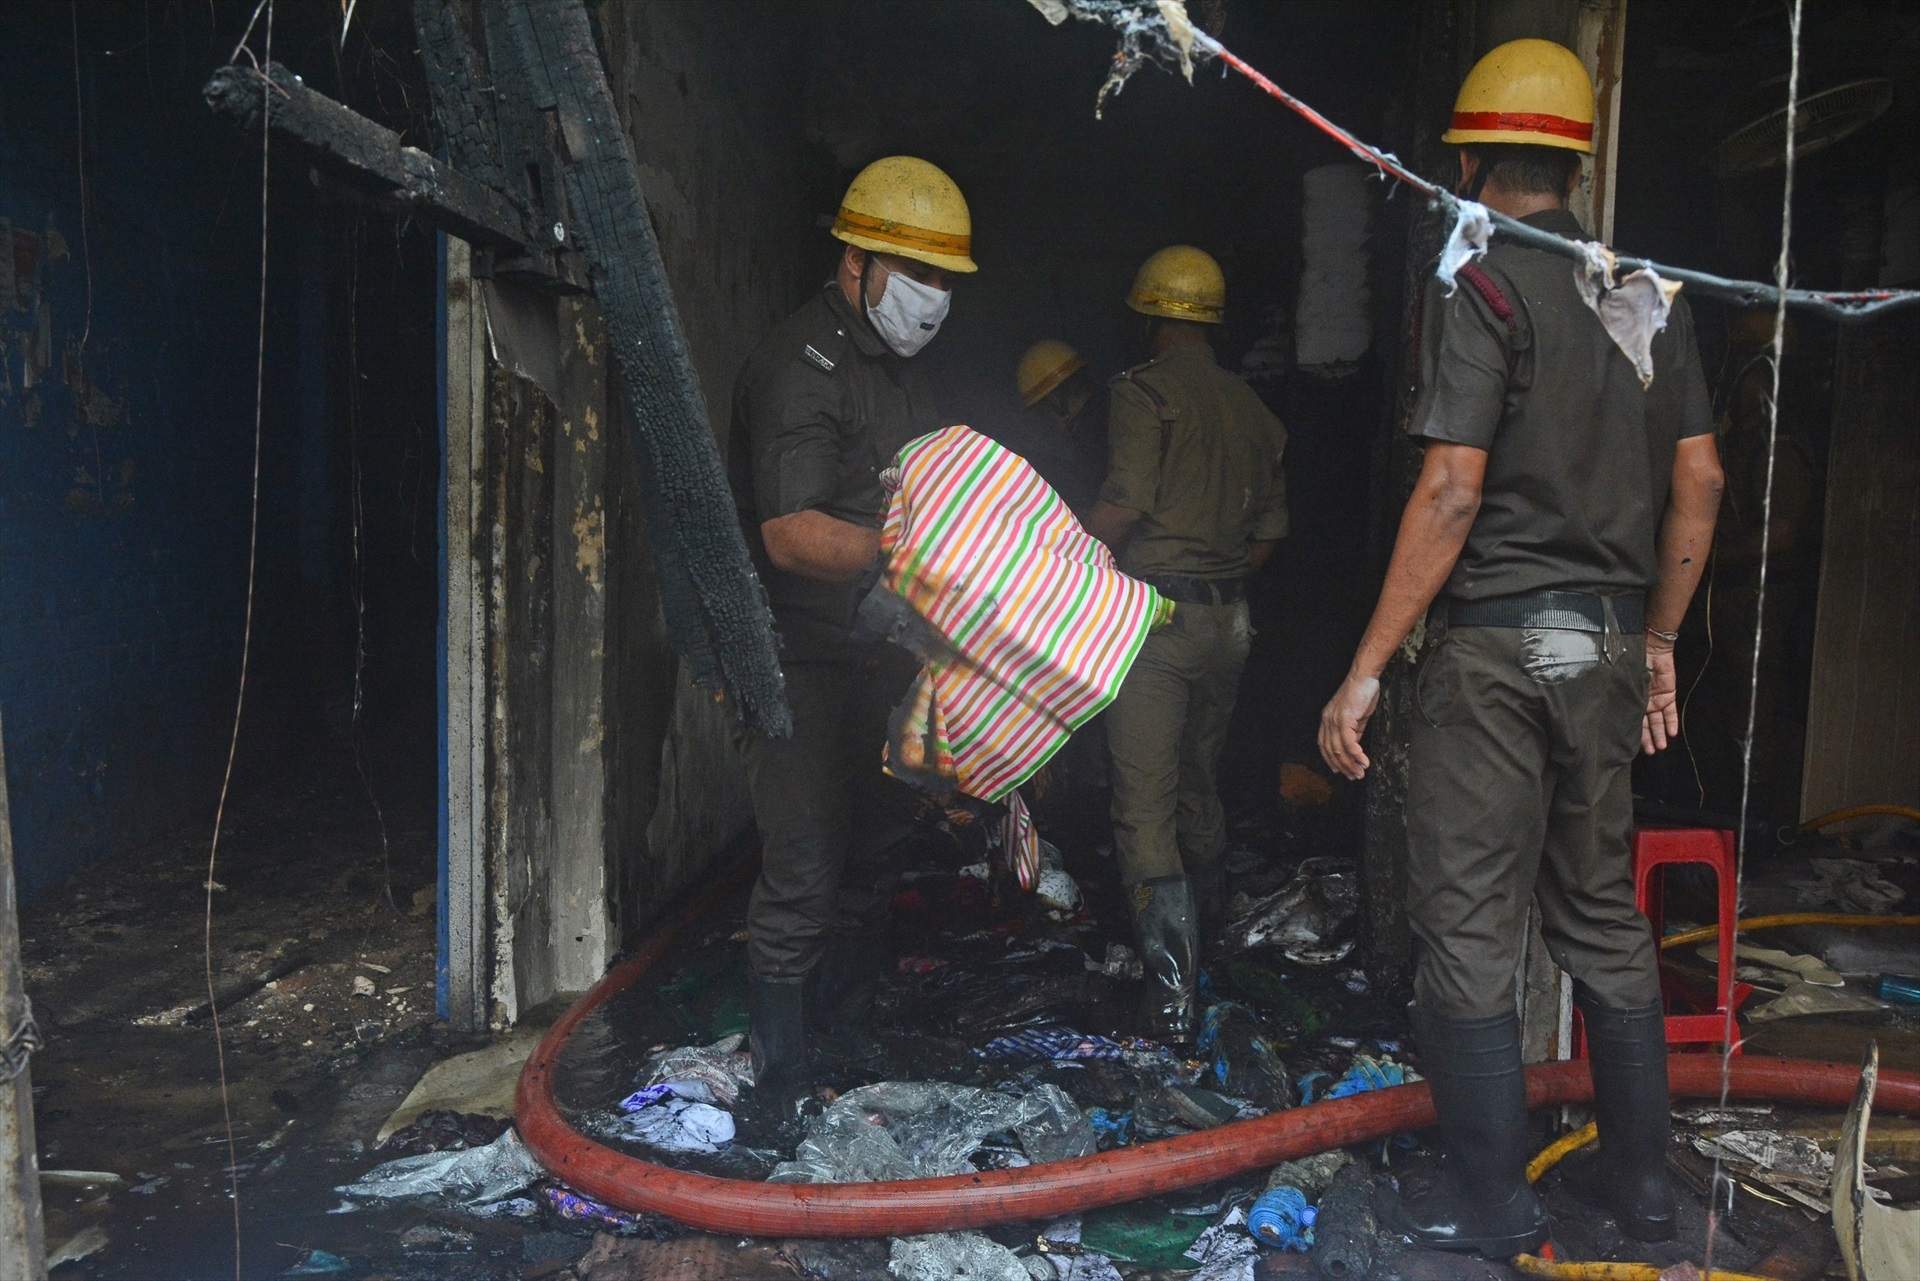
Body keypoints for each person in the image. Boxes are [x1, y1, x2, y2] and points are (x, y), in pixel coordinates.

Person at [1315, 39, 1724, 1258]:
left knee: (1471, 928)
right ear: (1574, 160)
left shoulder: (1483, 287)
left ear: (1479, 161)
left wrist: (1367, 667)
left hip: (1496, 653)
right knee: (1602, 915)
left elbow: (1450, 490)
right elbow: (1697, 481)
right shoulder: (1647, 294)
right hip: (1601, 650)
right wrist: (1656, 639)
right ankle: (1646, 1198)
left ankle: (1495, 1207)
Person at [727, 155, 976, 1086]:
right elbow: (791, 533)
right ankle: (782, 1080)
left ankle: (849, 1039)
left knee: (875, 855)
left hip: (876, 652)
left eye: (948, 280)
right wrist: (914, 556)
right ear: (854, 264)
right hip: (797, 661)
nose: (935, 297)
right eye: (920, 274)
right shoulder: (802, 367)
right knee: (802, 870)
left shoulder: (904, 378)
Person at [1086, 245, 1289, 1044]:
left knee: (1144, 805)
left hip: (1158, 622)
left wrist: (1063, 557)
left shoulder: (1142, 394)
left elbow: (1126, 500)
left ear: (1147, 317)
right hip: (1228, 621)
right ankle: (1210, 939)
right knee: (1199, 781)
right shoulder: (1254, 410)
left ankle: (1171, 999)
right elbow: (1270, 533)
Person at [998, 339, 1106, 513]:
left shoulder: (1091, 440)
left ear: (1056, 401)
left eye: (1043, 412)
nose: (1047, 423)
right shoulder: (1114, 412)